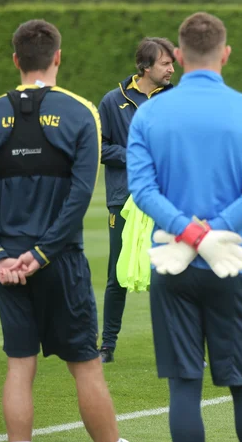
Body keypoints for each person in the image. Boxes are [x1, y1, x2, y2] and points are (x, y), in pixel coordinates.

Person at [126, 11, 242, 441]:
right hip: (232, 265)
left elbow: (142, 187)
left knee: (184, 388)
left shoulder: (150, 114)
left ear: (178, 53)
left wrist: (190, 234)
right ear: (225, 54)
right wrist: (213, 236)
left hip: (173, 266)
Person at [0, 19, 126, 442]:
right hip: (61, 261)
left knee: (20, 367)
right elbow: (80, 197)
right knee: (86, 367)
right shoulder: (81, 112)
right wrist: (42, 254)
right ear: (57, 57)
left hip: (8, 265)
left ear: (15, 59)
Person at [98, 37, 175, 363]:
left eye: (173, 62)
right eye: (165, 63)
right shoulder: (112, 100)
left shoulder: (177, 99)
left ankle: (181, 347)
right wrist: (136, 154)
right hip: (123, 199)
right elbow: (98, 147)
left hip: (168, 200)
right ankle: (107, 347)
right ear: (145, 67)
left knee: (174, 275)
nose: (172, 68)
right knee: (116, 276)